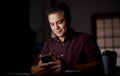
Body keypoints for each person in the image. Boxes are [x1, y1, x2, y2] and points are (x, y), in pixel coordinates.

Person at [30, 2, 105, 76]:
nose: (56, 28)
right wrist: (36, 70)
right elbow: (33, 67)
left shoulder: (85, 39)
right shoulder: (48, 45)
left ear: (69, 19)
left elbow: (97, 66)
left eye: (60, 22)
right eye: (52, 24)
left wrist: (68, 67)